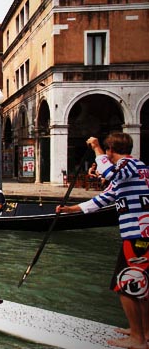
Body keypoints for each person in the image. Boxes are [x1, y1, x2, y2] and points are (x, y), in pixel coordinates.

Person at [56, 133, 149, 349]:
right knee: (140, 283)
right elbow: (103, 199)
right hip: (139, 235)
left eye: (106, 151)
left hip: (137, 234)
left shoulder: (128, 165)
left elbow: (108, 172)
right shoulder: (134, 170)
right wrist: (71, 209)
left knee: (125, 284)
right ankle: (143, 330)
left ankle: (138, 339)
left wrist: (96, 148)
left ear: (110, 150)